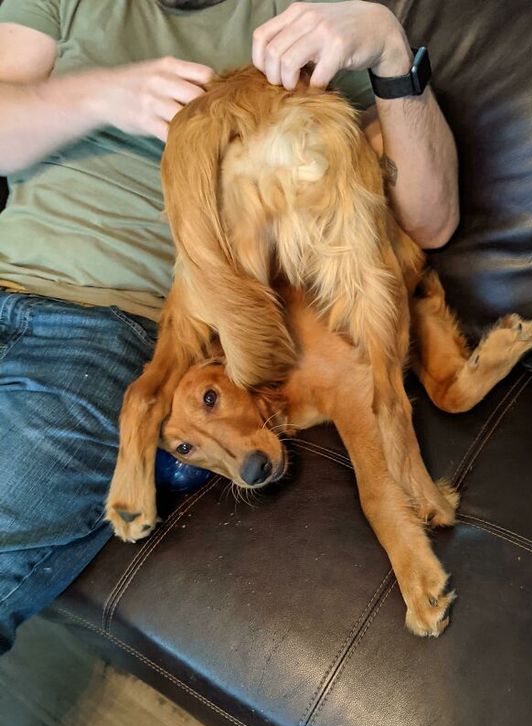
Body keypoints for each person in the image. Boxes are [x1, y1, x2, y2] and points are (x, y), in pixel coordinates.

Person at [0, 0, 459, 653]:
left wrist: (388, 47)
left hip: (102, 326)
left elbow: (430, 221)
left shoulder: (301, 17)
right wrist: (100, 95)